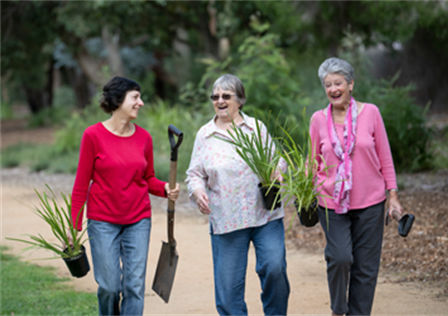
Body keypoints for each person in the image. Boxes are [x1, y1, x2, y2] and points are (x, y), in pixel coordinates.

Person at [70, 76, 180, 316]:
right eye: (135, 97)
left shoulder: (144, 138)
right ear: (118, 100)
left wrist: (164, 189)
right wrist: (74, 226)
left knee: (134, 287)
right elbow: (81, 184)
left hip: (138, 220)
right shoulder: (93, 135)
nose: (140, 102)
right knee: (109, 286)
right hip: (102, 222)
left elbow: (148, 178)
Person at [185, 74, 290, 316]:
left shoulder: (256, 128)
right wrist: (198, 189)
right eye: (216, 96)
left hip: (264, 213)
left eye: (226, 96)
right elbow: (194, 174)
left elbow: (276, 160)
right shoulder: (205, 135)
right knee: (229, 290)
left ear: (239, 100)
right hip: (227, 219)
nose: (220, 101)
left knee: (275, 269)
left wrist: (277, 170)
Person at [309, 58, 403, 316]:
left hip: (371, 202)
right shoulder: (318, 120)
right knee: (340, 258)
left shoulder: (371, 113)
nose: (333, 89)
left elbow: (385, 157)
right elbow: (312, 162)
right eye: (328, 85)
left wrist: (392, 196)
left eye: (338, 82)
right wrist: (304, 192)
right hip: (330, 202)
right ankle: (339, 310)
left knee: (366, 268)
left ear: (351, 84)